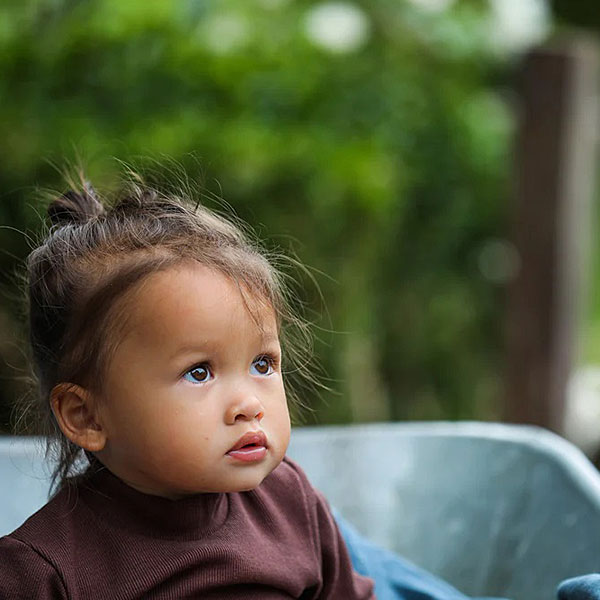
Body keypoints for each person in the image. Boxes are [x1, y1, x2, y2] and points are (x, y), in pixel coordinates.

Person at [0, 176, 375, 599]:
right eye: (199, 372)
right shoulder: (42, 572)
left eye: (262, 363)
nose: (249, 405)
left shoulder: (291, 503)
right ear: (85, 415)